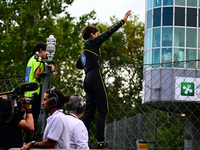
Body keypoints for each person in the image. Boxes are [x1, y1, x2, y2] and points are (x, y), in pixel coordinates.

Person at [76, 10, 131, 149]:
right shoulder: (92, 43)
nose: (98, 36)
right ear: (92, 35)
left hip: (87, 79)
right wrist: (122, 21)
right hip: (95, 76)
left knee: (88, 113)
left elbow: (78, 65)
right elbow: (108, 33)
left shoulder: (83, 49)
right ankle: (101, 142)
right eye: (97, 34)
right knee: (103, 110)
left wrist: (91, 62)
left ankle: (80, 138)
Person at [24, 42, 54, 142]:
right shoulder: (38, 59)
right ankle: (31, 140)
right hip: (35, 92)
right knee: (34, 118)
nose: (46, 54)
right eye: (45, 51)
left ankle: (26, 139)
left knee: (28, 116)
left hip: (27, 92)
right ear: (41, 50)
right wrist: (49, 70)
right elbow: (37, 75)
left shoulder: (31, 59)